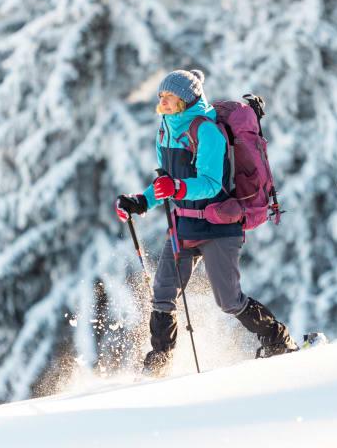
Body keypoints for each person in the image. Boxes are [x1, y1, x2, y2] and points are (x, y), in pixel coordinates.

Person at [115, 69, 304, 376]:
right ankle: (159, 360)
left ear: (186, 100)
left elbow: (211, 183)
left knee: (229, 300)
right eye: (161, 97)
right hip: (183, 224)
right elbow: (166, 181)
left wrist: (176, 188)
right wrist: (141, 201)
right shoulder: (164, 129)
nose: (163, 103)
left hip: (219, 225)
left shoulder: (207, 131)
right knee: (163, 294)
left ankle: (277, 339)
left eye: (170, 98)